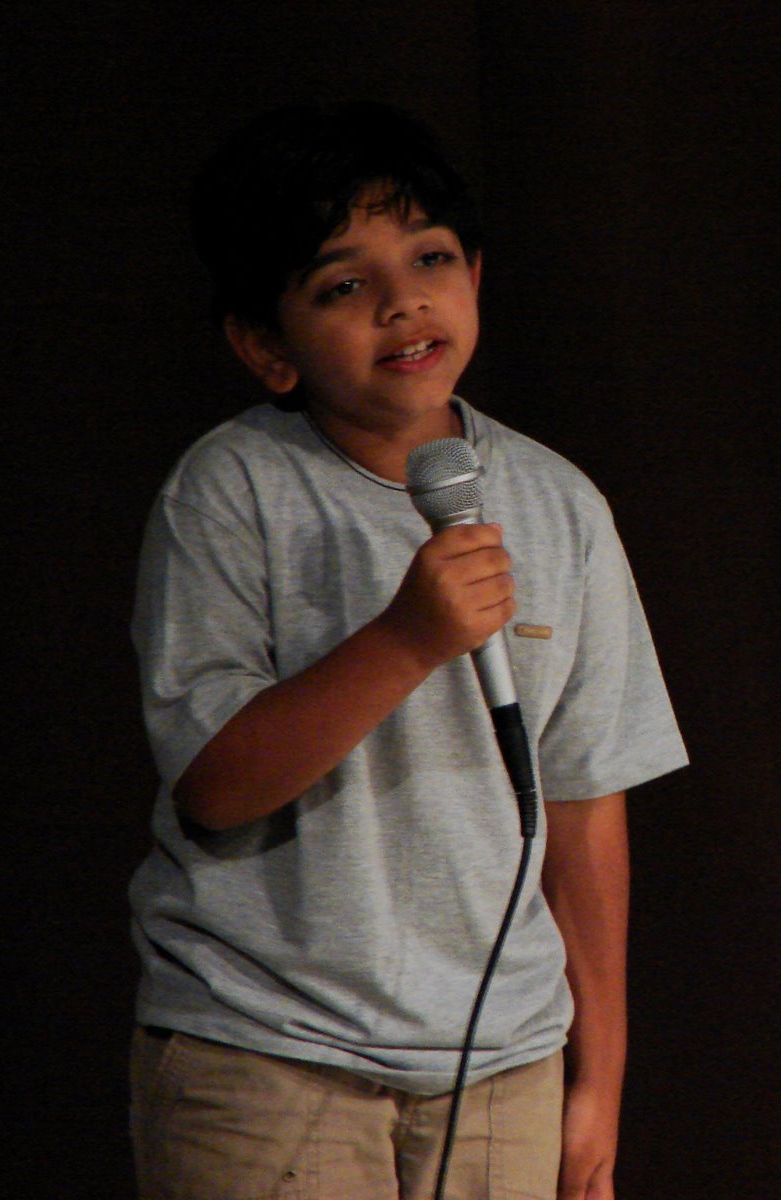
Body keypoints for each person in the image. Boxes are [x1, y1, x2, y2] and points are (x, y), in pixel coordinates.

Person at [126, 100, 687, 1199]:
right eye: (343, 286)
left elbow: (583, 803)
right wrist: (405, 640)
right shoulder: (229, 492)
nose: (402, 303)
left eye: (429, 259)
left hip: (502, 1061)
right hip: (267, 1051)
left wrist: (600, 1079)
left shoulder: (561, 505)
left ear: (474, 274)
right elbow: (216, 787)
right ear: (265, 345)